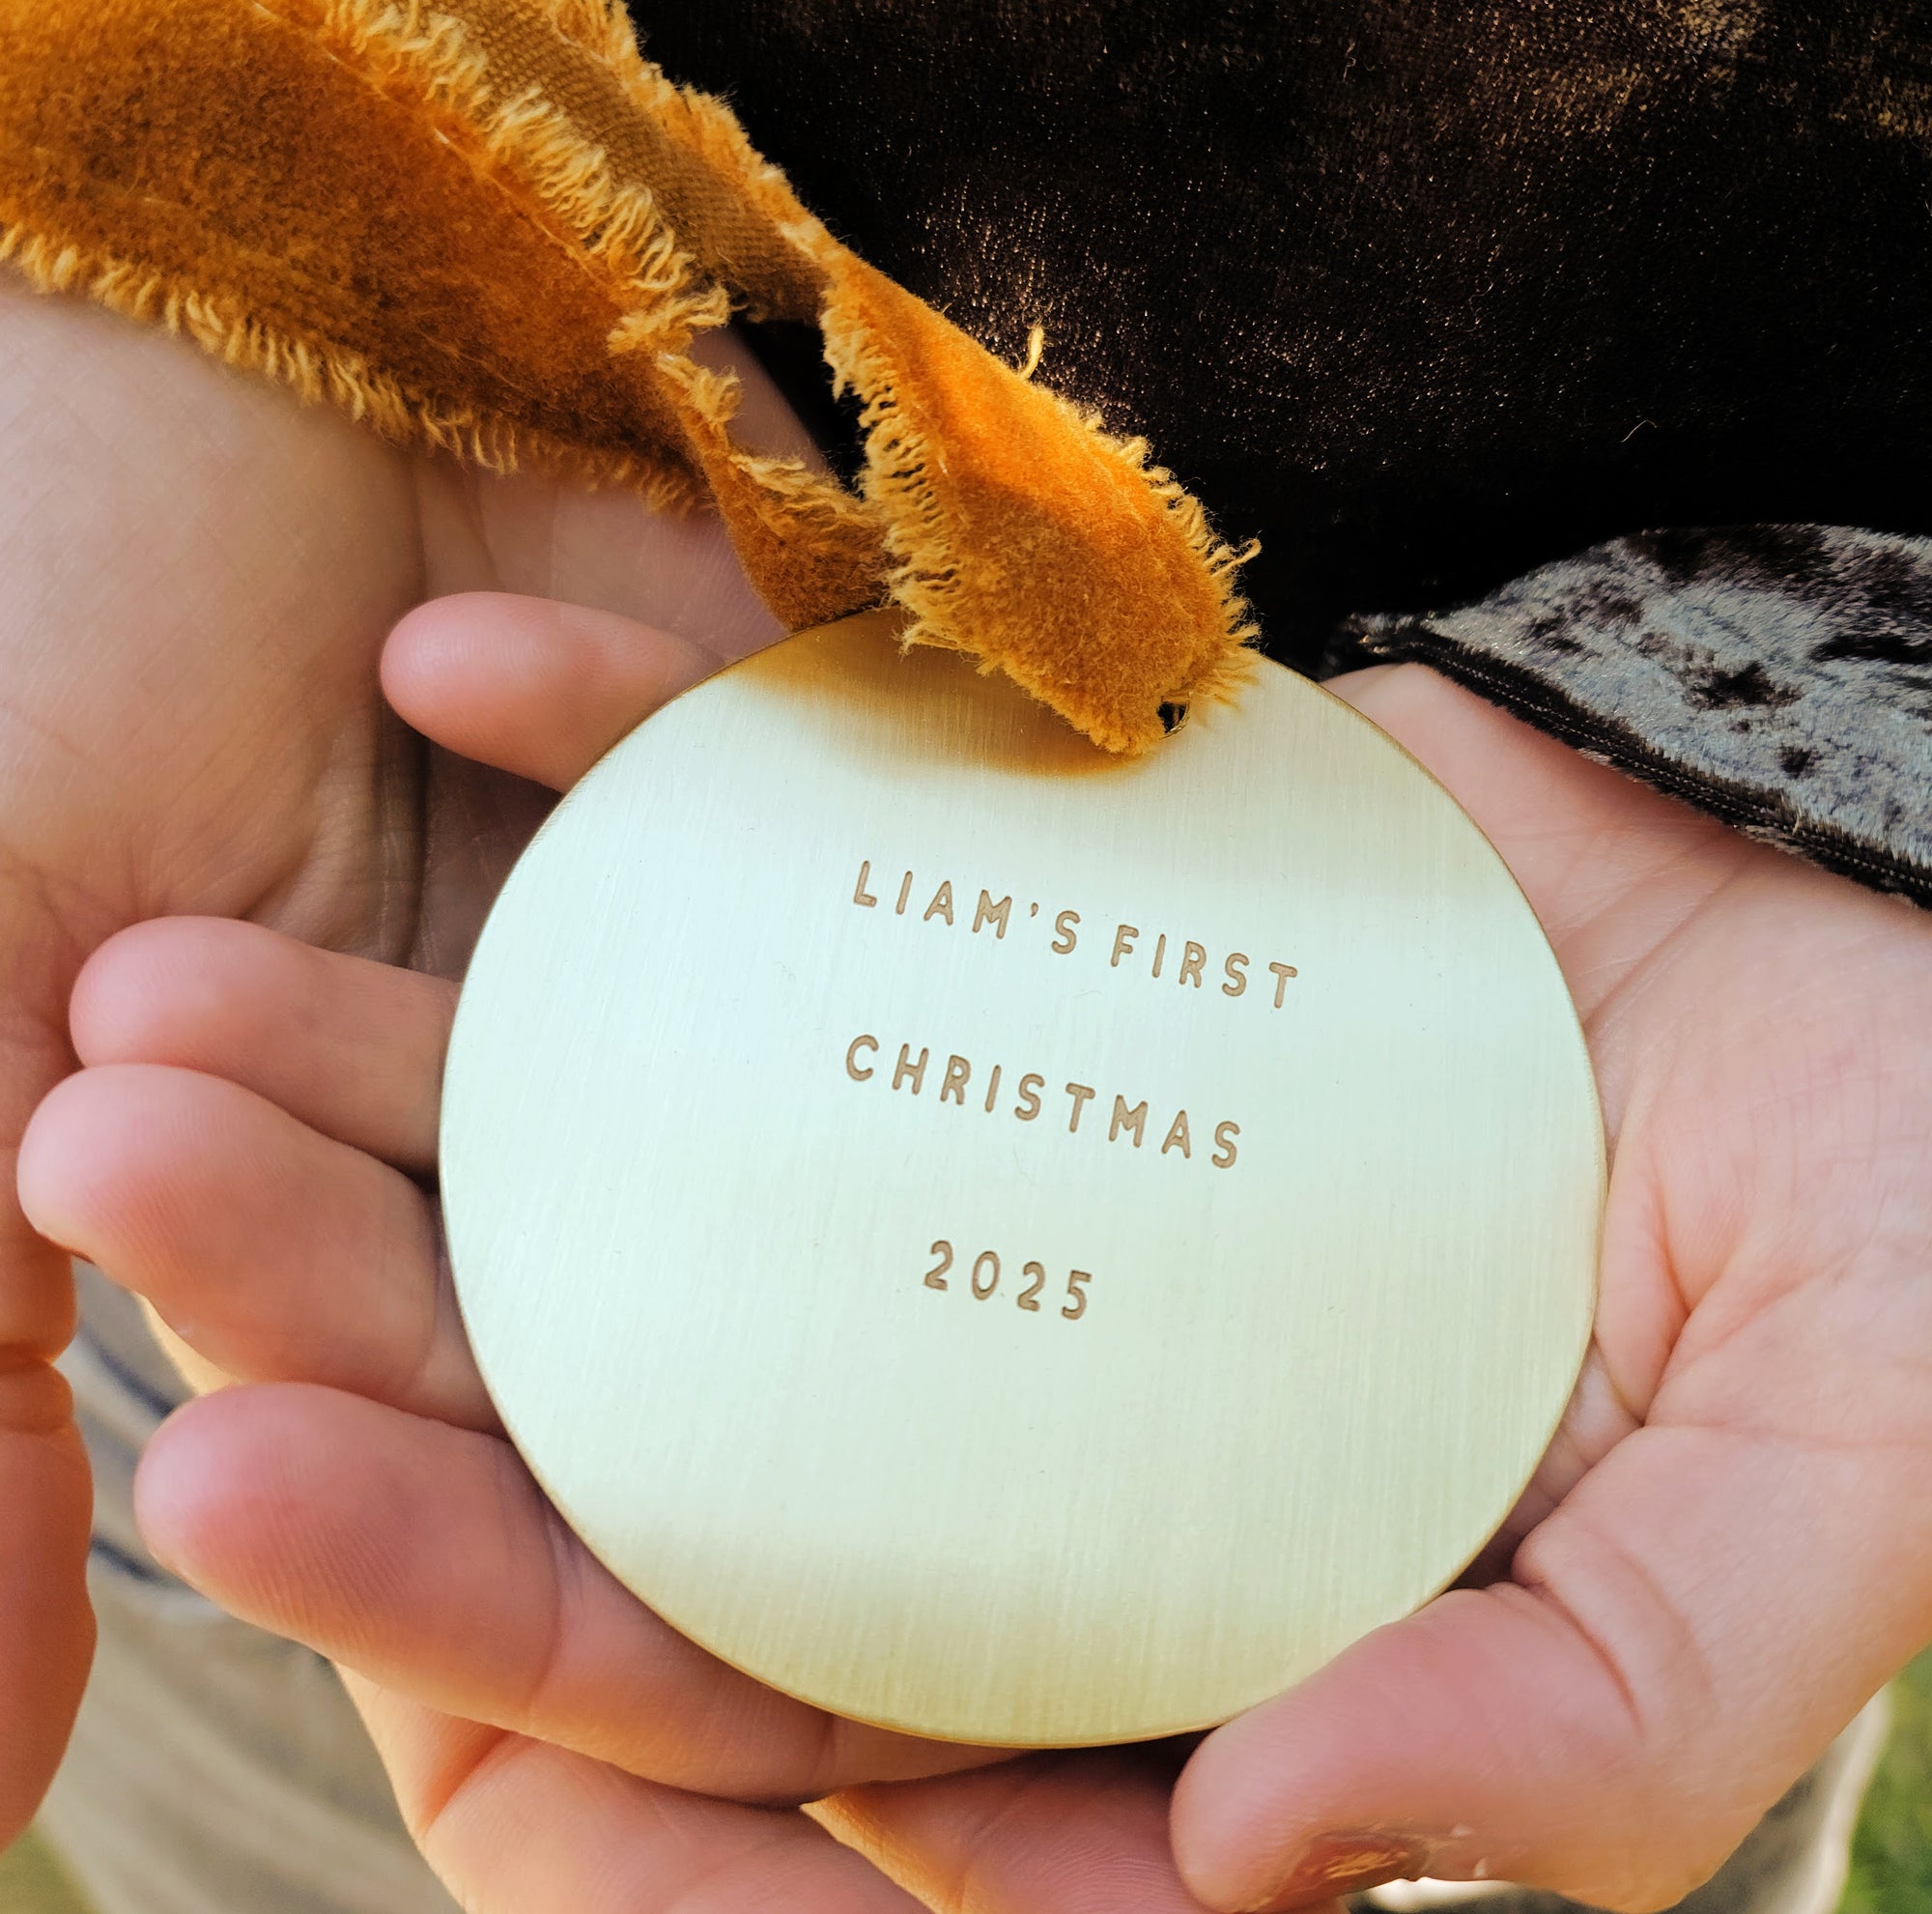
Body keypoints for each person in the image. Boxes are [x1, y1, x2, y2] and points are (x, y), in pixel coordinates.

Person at [2, 3, 1930, 1910]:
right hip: (319, 1155)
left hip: (1622, 1242)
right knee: (276, 1719)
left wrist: (1855, 744)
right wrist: (139, 176)